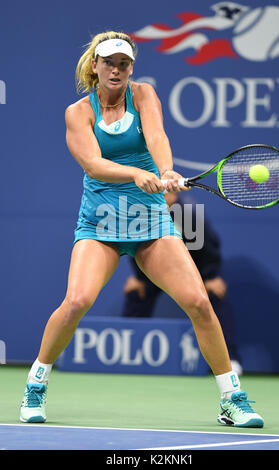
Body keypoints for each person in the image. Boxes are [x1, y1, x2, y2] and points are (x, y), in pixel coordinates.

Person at [20, 31, 263, 427]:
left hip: (150, 221)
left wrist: (165, 170)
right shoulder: (78, 112)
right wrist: (136, 173)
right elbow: (94, 165)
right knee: (78, 301)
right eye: (109, 63)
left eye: (124, 63)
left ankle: (231, 397)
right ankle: (37, 384)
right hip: (101, 222)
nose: (116, 70)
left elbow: (156, 136)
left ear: (131, 67)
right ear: (95, 66)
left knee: (199, 303)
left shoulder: (144, 94)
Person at [122, 191, 243, 376]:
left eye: (168, 191)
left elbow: (208, 248)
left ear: (175, 194)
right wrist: (139, 277)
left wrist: (211, 277)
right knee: (137, 292)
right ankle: (127, 354)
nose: (164, 195)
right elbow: (137, 245)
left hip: (193, 270)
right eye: (159, 191)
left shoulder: (189, 212)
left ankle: (230, 359)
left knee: (213, 296)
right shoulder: (144, 212)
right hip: (156, 268)